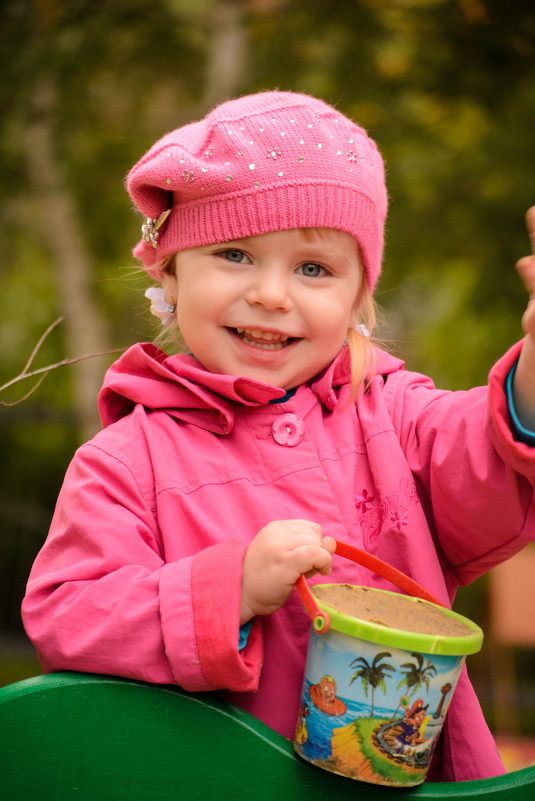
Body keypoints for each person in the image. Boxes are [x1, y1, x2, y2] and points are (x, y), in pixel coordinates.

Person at [21, 91, 535, 782]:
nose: (270, 293)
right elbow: (68, 615)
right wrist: (227, 589)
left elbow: (484, 454)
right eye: (234, 253)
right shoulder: (125, 460)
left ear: (358, 296)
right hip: (208, 785)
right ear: (167, 272)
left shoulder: (393, 414)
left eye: (313, 268)